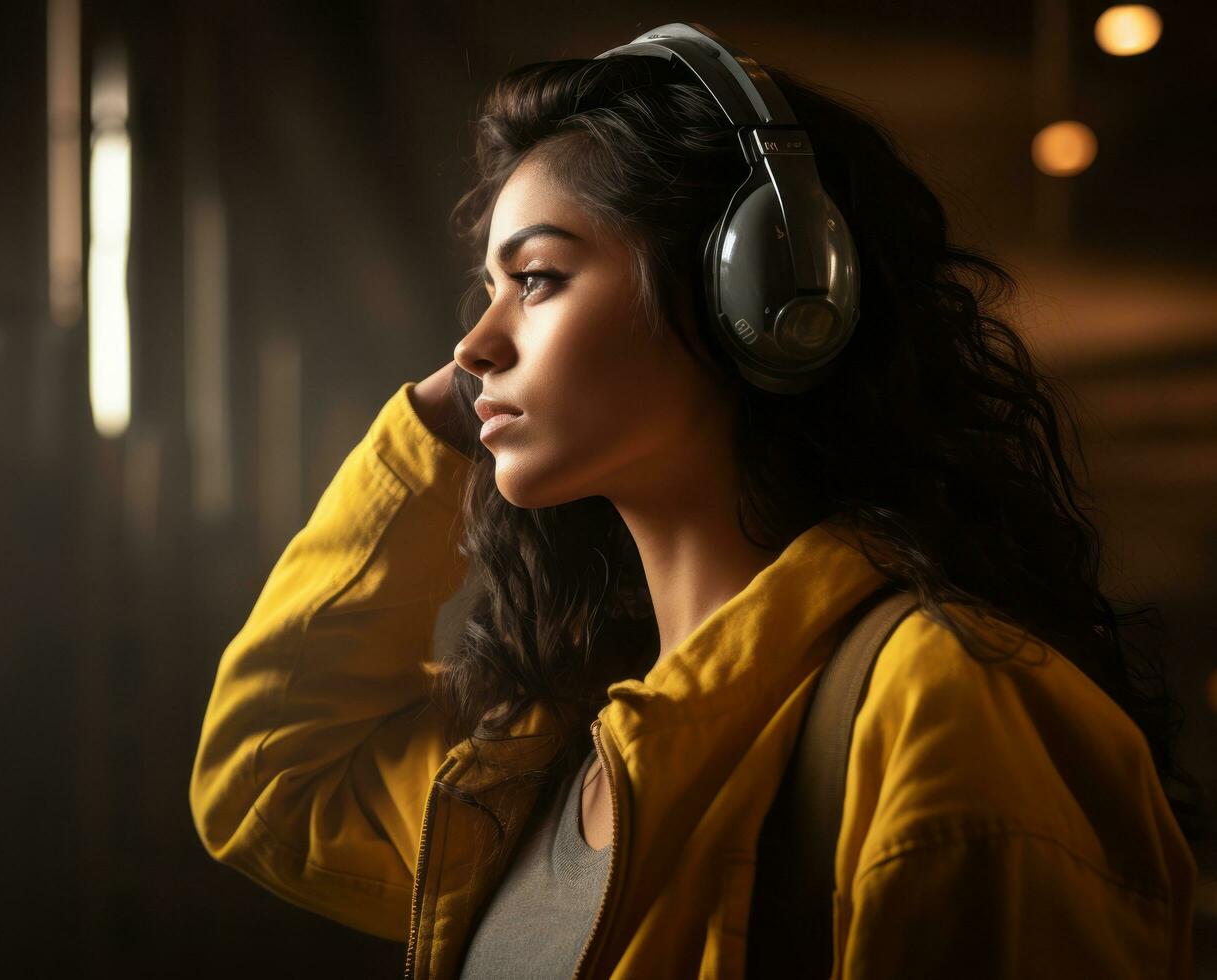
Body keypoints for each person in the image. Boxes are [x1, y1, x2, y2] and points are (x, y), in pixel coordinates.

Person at [188, 34, 1206, 980]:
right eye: (486, 288)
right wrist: (435, 422)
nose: (473, 342)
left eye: (537, 278)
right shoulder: (552, 750)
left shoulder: (944, 710)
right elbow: (271, 781)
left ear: (756, 295)